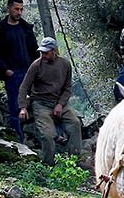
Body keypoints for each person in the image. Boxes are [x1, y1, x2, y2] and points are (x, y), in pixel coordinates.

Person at [18, 37, 82, 165]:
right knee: (47, 135)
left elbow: (67, 88)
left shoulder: (65, 64)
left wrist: (60, 104)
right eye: (42, 52)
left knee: (75, 124)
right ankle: (49, 164)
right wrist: (23, 107)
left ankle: (74, 161)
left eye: (46, 52)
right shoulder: (36, 65)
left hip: (60, 102)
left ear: (54, 51)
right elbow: (24, 87)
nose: (43, 55)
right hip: (41, 103)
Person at [0, 0, 39, 142]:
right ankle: (18, 137)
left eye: (21, 9)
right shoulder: (1, 30)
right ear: (9, 8)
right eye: (16, 9)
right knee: (14, 106)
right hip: (12, 74)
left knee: (35, 103)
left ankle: (35, 137)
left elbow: (34, 49)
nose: (19, 12)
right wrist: (5, 70)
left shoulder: (26, 28)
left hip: (28, 72)